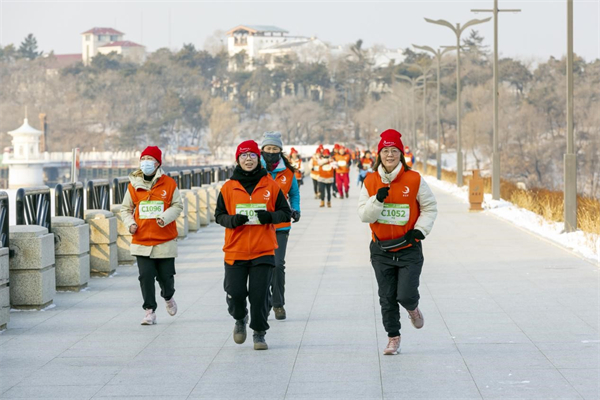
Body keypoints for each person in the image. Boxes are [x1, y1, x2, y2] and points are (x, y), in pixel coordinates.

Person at [358, 129, 437, 355]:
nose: (390, 155)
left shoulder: (414, 179)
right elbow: (364, 215)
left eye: (394, 151)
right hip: (381, 250)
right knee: (387, 297)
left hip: (409, 248)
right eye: (385, 151)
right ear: (379, 154)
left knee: (405, 295)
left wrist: (420, 230)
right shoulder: (370, 180)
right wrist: (378, 200)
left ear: (401, 154)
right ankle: (393, 337)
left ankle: (412, 308)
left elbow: (430, 207)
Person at [214, 140, 292, 350]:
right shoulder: (229, 187)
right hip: (235, 250)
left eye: (252, 156)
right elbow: (219, 215)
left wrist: (269, 216)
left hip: (263, 250)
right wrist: (232, 221)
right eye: (244, 156)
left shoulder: (270, 185)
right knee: (235, 293)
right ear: (237, 160)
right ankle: (240, 319)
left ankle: (259, 332)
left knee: (259, 296)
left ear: (259, 159)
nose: (248, 159)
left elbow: (285, 213)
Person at [120, 146, 183, 325]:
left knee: (166, 277)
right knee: (145, 276)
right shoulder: (133, 185)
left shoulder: (169, 184)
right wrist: (130, 223)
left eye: (150, 159)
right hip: (142, 240)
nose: (146, 162)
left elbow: (177, 206)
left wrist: (164, 218)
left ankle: (168, 296)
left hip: (165, 239)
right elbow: (126, 209)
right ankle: (149, 311)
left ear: (157, 163)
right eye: (143, 158)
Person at [260, 132, 301, 320]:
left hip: (281, 225)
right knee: (261, 266)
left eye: (274, 149)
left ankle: (278, 304)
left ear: (280, 151)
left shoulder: (288, 173)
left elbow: (294, 194)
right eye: (268, 149)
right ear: (262, 150)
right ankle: (263, 301)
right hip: (258, 225)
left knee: (277, 264)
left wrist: (296, 209)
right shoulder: (254, 169)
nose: (271, 152)